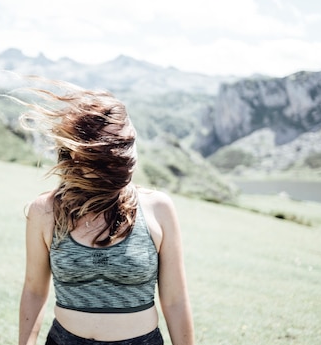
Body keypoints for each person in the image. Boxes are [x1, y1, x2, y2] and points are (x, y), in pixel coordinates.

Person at [17, 83, 194, 345]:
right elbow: (33, 291)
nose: (119, 158)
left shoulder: (158, 208)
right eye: (107, 151)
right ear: (77, 154)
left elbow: (176, 301)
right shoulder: (44, 211)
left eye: (123, 146)